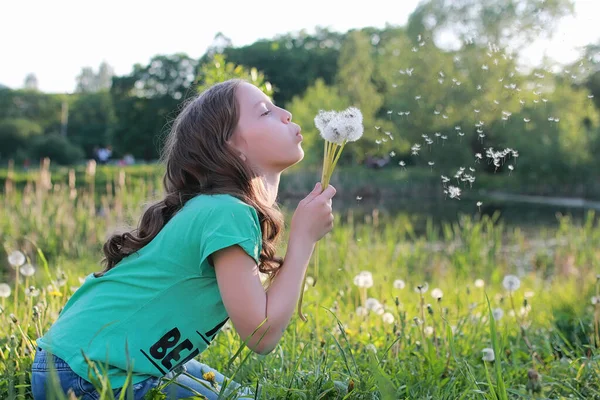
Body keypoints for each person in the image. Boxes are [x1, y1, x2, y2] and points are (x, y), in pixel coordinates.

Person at [30, 79, 337, 399]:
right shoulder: (228, 212)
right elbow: (261, 335)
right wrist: (303, 238)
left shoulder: (216, 209)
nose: (286, 114)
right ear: (230, 145)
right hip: (93, 375)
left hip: (69, 362)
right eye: (265, 112)